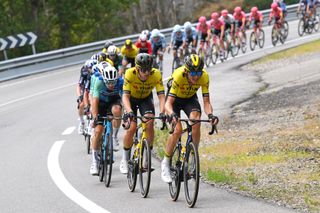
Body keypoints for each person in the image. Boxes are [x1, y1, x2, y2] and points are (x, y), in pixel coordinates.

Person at [161, 54, 219, 183]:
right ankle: (165, 163)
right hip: (174, 100)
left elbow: (206, 102)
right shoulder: (178, 76)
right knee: (177, 130)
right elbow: (168, 103)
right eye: (193, 73)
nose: (196, 76)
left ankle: (193, 154)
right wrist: (171, 114)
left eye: (198, 72)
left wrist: (211, 115)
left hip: (190, 99)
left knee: (196, 121)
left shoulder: (204, 77)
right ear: (187, 71)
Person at [119, 53, 166, 174]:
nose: (146, 73)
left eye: (149, 69)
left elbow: (161, 96)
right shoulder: (130, 73)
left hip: (146, 99)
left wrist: (162, 112)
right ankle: (124, 158)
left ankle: (147, 157)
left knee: (149, 122)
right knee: (132, 127)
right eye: (143, 70)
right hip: (131, 100)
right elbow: (125, 96)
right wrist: (129, 111)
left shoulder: (156, 74)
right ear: (137, 69)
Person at [90, 63, 124, 175]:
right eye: (108, 83)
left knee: (117, 110)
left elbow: (124, 99)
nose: (111, 85)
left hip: (113, 102)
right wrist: (95, 117)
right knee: (98, 130)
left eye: (113, 82)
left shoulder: (120, 82)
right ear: (104, 79)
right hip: (101, 104)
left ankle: (114, 136)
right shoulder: (98, 81)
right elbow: (94, 101)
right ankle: (94, 161)